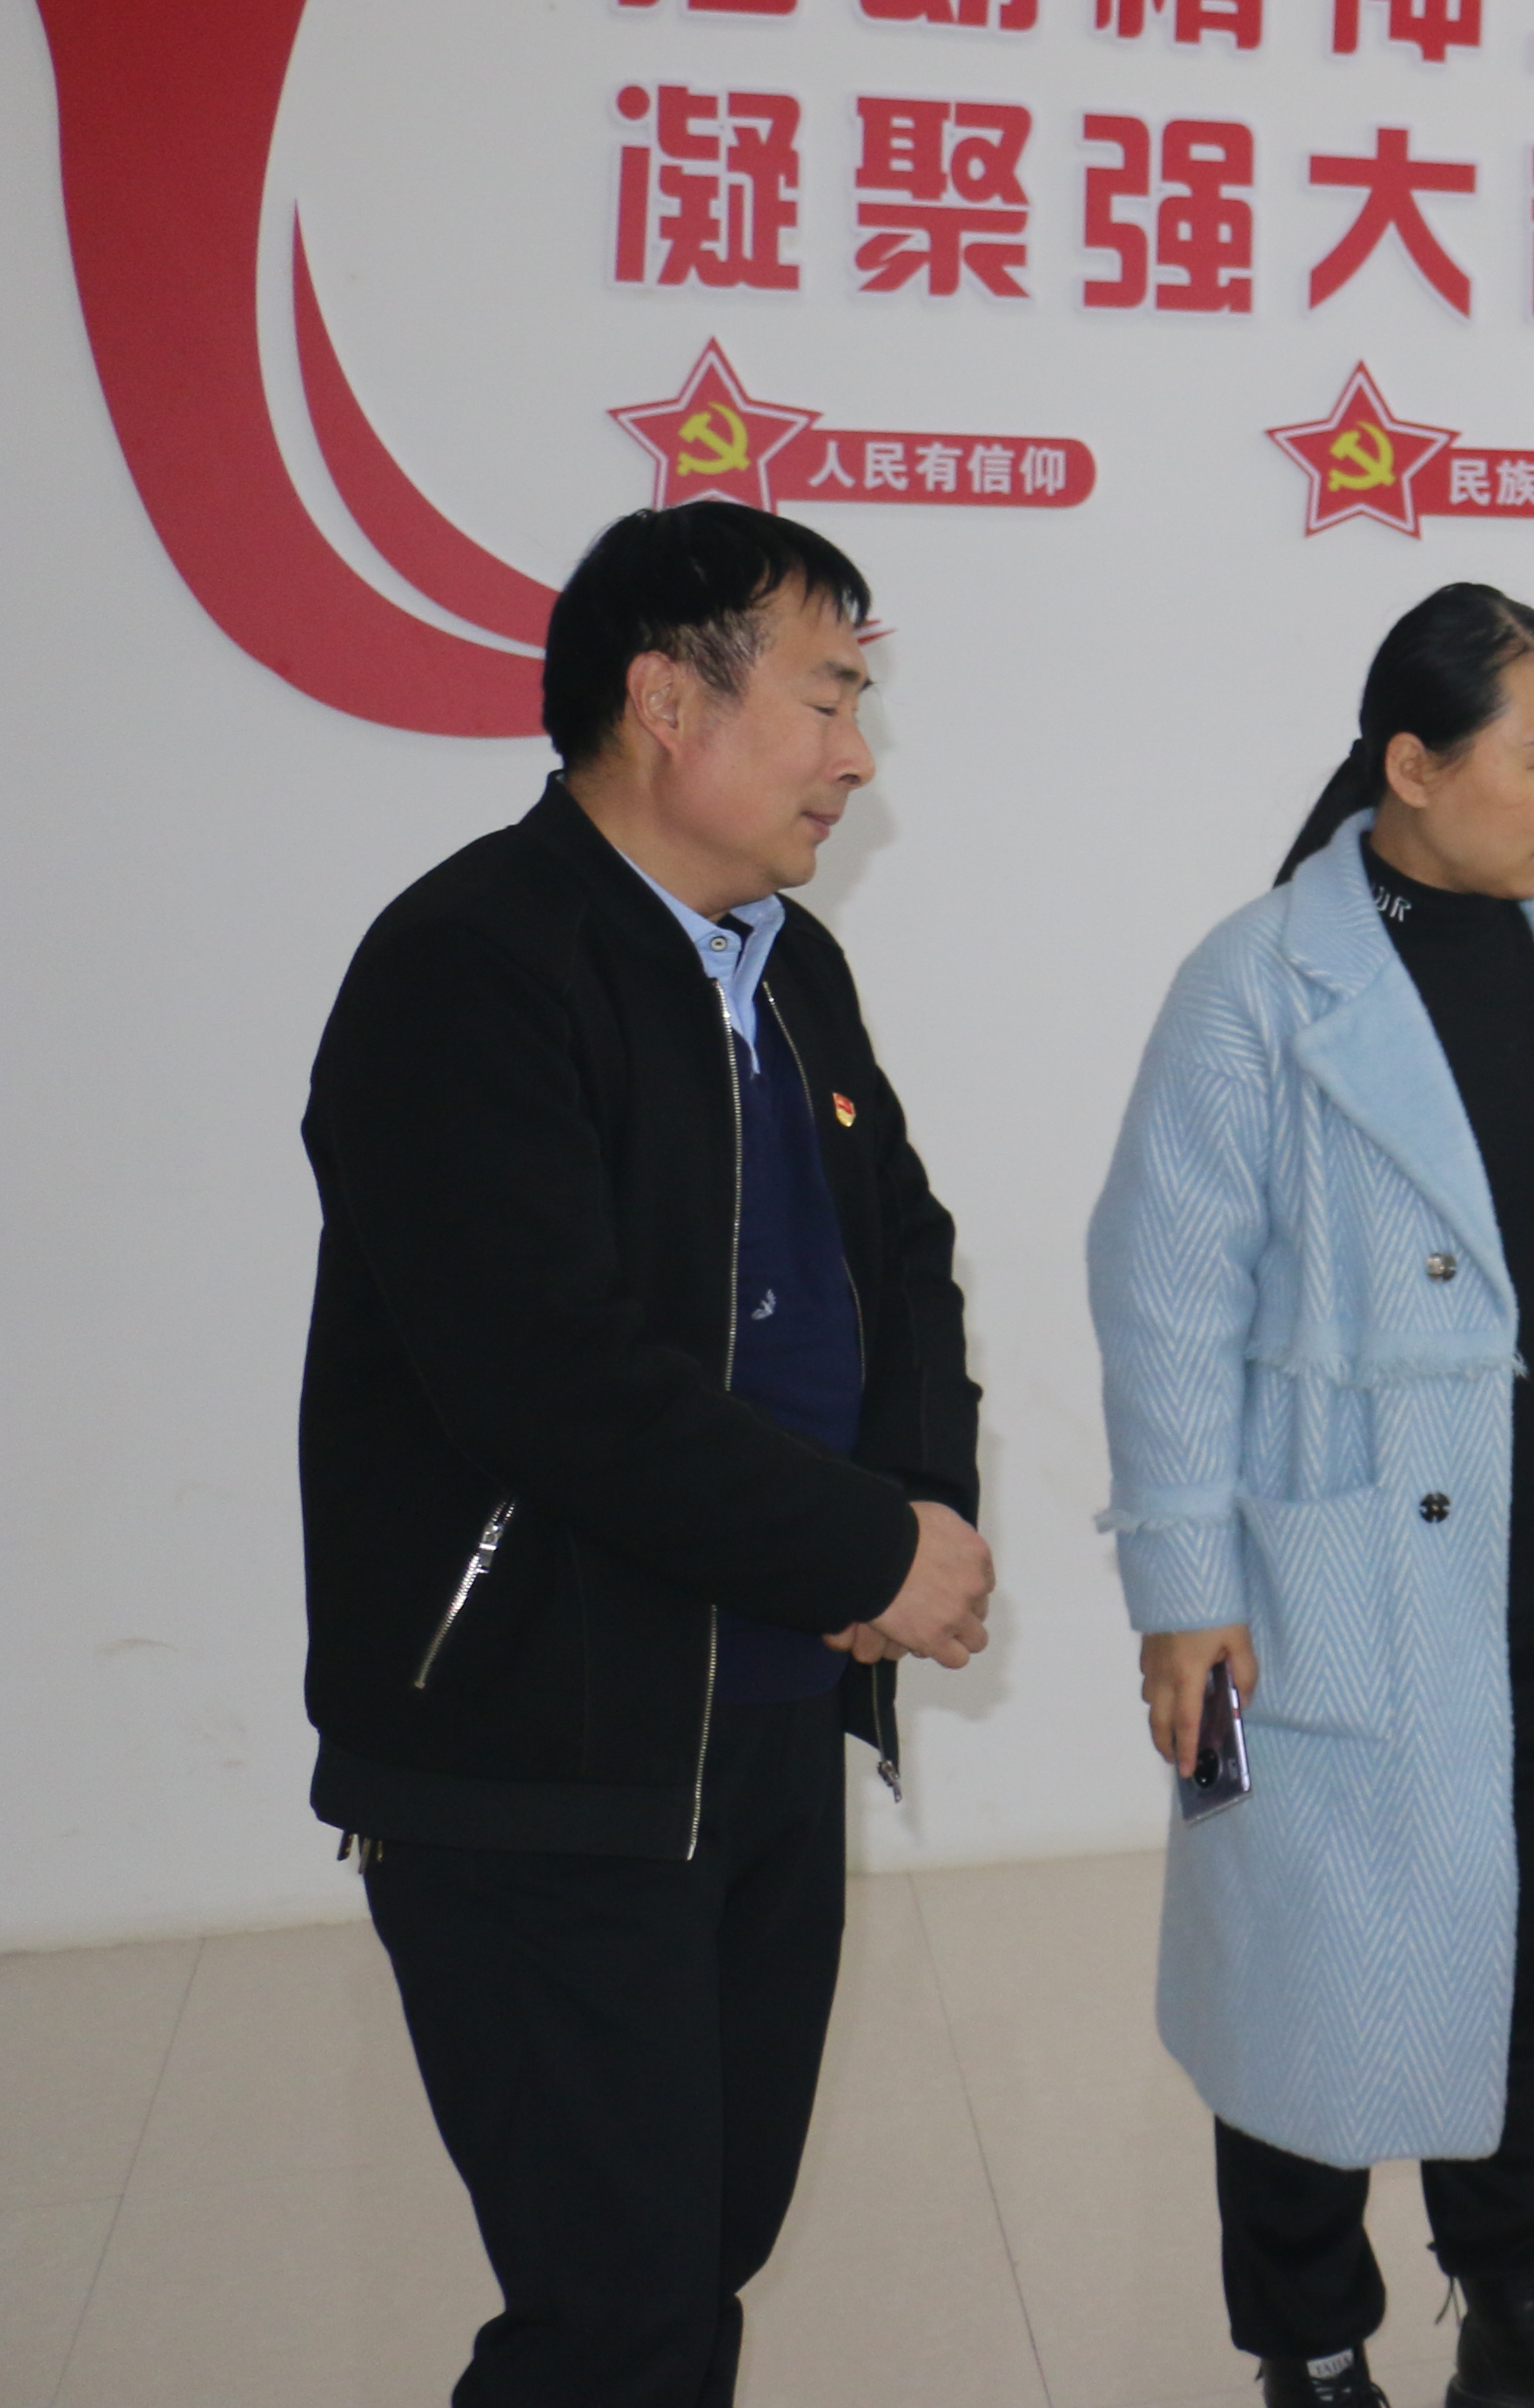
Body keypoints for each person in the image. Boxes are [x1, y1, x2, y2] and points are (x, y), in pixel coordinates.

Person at [299, 500, 995, 2408]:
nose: (858, 753)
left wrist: (920, 1502)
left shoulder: (787, 967)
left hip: (766, 1709)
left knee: (701, 2249)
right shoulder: (471, 964)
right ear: (664, 700)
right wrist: (862, 1550)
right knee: (614, 2302)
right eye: (827, 698)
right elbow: (551, 1379)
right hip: (539, 1748)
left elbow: (901, 1256)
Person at [1095, 586, 1534, 2408]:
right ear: (1412, 764)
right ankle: (1310, 2349)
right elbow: (1164, 1299)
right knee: (1309, 1982)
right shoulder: (1257, 985)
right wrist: (1183, 1587)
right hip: (1339, 1588)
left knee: (1517, 1961)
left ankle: (1518, 2308)